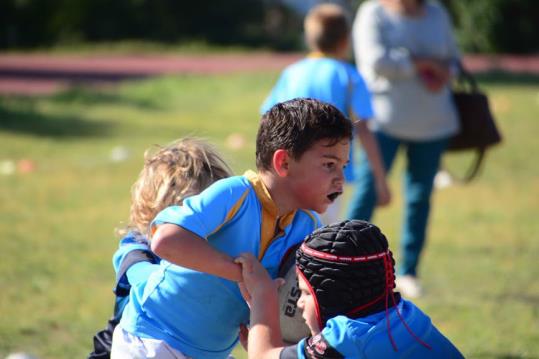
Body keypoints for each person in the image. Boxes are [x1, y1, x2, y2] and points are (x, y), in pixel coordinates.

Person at [111, 98, 353, 359]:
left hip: (213, 352)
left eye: (344, 166)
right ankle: (131, 255)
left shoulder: (308, 227)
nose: (341, 177)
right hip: (152, 338)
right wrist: (246, 276)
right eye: (329, 164)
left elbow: (286, 301)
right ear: (283, 163)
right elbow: (166, 241)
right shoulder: (236, 195)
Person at [350, 0, 461, 297]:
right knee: (368, 191)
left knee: (420, 197)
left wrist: (444, 71)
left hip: (433, 123)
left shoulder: (436, 12)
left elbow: (453, 58)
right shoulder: (373, 12)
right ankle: (343, 259)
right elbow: (374, 62)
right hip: (384, 122)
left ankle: (409, 271)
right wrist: (422, 64)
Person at [89, 137, 233, 359]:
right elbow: (144, 279)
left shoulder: (207, 250)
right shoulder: (136, 249)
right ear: (159, 214)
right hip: (123, 348)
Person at [236, 219, 464, 358]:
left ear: (332, 297)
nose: (299, 302)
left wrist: (262, 294)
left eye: (306, 293)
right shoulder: (405, 314)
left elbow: (263, 357)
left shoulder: (347, 336)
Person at [260, 3, 390, 225]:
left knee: (287, 235)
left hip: (291, 170)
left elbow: (268, 121)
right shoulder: (349, 76)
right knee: (321, 241)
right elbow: (365, 131)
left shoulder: (293, 73)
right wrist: (380, 180)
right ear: (345, 41)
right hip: (329, 175)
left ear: (310, 39)